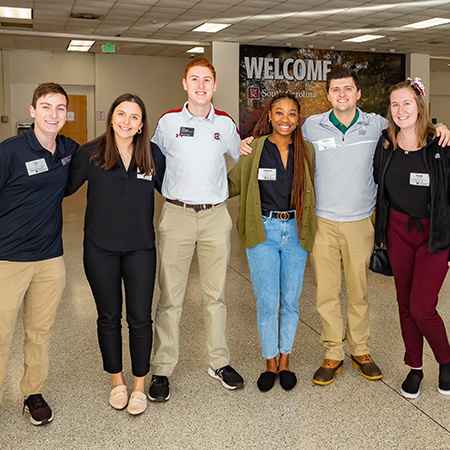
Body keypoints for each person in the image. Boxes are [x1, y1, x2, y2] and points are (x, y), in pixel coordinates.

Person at [240, 68, 450, 386]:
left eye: (348, 89)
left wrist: (441, 127)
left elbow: (415, 129)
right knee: (325, 292)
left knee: (358, 291)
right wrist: (250, 143)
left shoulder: (378, 125)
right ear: (328, 95)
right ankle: (333, 353)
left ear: (358, 94)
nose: (342, 95)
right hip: (321, 221)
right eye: (336, 90)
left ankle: (361, 350)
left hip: (360, 222)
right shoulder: (312, 126)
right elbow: (282, 137)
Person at [148, 57, 244, 402]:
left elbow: (241, 156)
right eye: (195, 79)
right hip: (177, 216)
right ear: (185, 84)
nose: (201, 86)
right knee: (170, 297)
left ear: (215, 86)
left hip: (216, 217)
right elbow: (152, 163)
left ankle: (219, 362)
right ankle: (161, 368)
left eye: (207, 80)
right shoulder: (168, 122)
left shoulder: (225, 124)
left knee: (215, 296)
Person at [65, 94, 165, 415]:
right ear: (111, 118)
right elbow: (62, 188)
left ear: (141, 125)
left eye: (134, 117)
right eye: (121, 114)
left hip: (140, 249)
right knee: (108, 318)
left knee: (140, 319)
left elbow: (175, 187)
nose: (126, 121)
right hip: (100, 250)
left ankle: (139, 385)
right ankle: (117, 382)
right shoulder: (90, 154)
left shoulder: (152, 155)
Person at [0, 82, 78, 425]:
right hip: (8, 259)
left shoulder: (68, 149)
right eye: (46, 107)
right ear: (32, 111)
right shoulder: (10, 151)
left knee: (40, 331)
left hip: (49, 259)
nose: (53, 114)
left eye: (60, 108)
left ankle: (33, 391)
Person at [228, 93, 316, 392]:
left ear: (298, 118)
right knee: (267, 302)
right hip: (262, 231)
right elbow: (232, 184)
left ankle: (285, 361)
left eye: (292, 114)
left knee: (290, 301)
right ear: (269, 116)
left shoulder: (307, 151)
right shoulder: (253, 148)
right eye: (279, 113)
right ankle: (269, 362)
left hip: (295, 231)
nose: (285, 119)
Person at [373, 78, 450, 398]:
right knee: (404, 304)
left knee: (422, 307)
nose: (401, 110)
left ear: (419, 106)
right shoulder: (385, 142)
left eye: (407, 103)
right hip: (397, 232)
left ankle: (446, 361)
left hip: (434, 234)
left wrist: (442, 125)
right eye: (395, 104)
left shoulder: (441, 144)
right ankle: (414, 367)